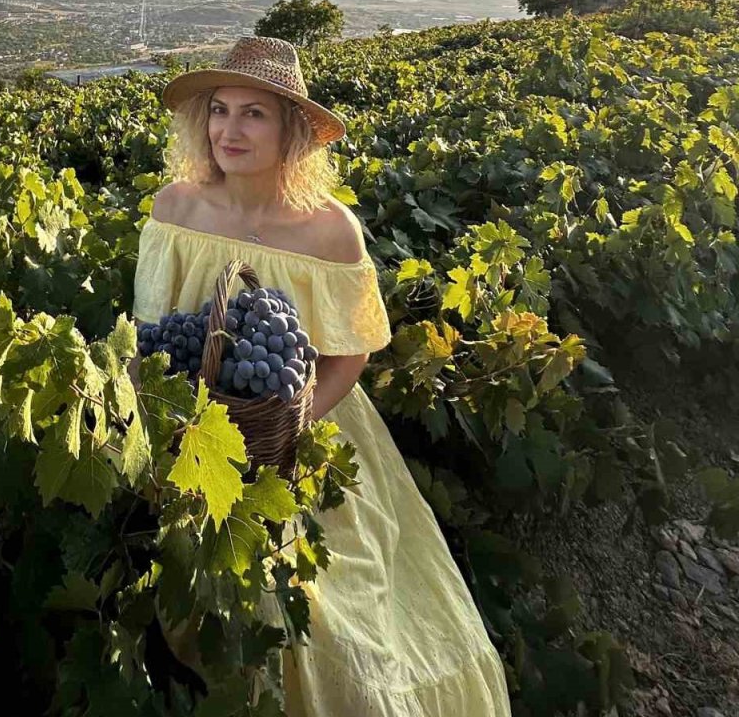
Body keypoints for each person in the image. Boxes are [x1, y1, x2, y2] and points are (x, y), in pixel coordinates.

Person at [130, 35, 512, 716]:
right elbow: (161, 334)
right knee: (211, 609)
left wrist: (292, 427)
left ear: (292, 131)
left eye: (254, 114)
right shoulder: (174, 210)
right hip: (198, 434)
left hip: (305, 429)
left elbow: (352, 354)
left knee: (336, 620)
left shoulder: (330, 231)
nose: (229, 129)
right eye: (220, 110)